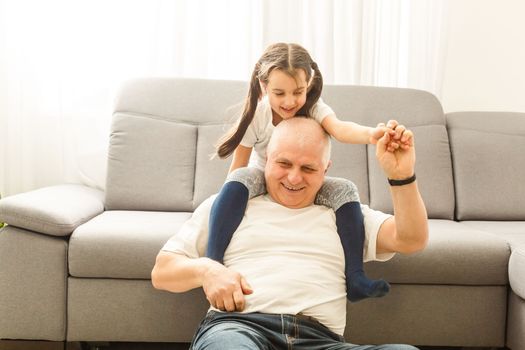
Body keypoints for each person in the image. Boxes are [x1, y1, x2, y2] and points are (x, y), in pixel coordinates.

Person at [152, 117, 428, 349]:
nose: (294, 178)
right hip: (239, 330)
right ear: (266, 160)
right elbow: (163, 271)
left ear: (326, 169)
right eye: (284, 164)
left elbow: (410, 239)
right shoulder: (227, 206)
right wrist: (207, 271)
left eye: (308, 168)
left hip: (321, 341)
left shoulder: (345, 215)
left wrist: (401, 175)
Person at [208, 42, 410, 302]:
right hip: (264, 177)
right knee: (238, 179)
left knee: (346, 189)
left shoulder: (314, 107)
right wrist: (222, 203)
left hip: (306, 181)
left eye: (298, 92)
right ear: (263, 85)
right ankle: (213, 261)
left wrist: (372, 134)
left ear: (309, 83)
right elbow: (238, 165)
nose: (290, 102)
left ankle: (356, 276)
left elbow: (339, 129)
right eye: (279, 93)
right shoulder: (258, 116)